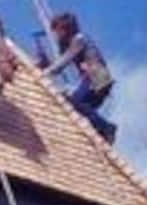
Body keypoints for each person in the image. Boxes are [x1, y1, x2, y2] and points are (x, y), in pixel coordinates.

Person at [37, 12, 118, 143]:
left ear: (64, 29)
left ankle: (106, 127)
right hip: (97, 77)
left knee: (75, 101)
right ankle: (100, 133)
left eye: (57, 32)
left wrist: (45, 73)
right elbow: (59, 61)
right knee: (79, 110)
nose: (56, 35)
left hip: (96, 75)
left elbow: (63, 62)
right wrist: (45, 64)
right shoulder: (73, 42)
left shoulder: (79, 39)